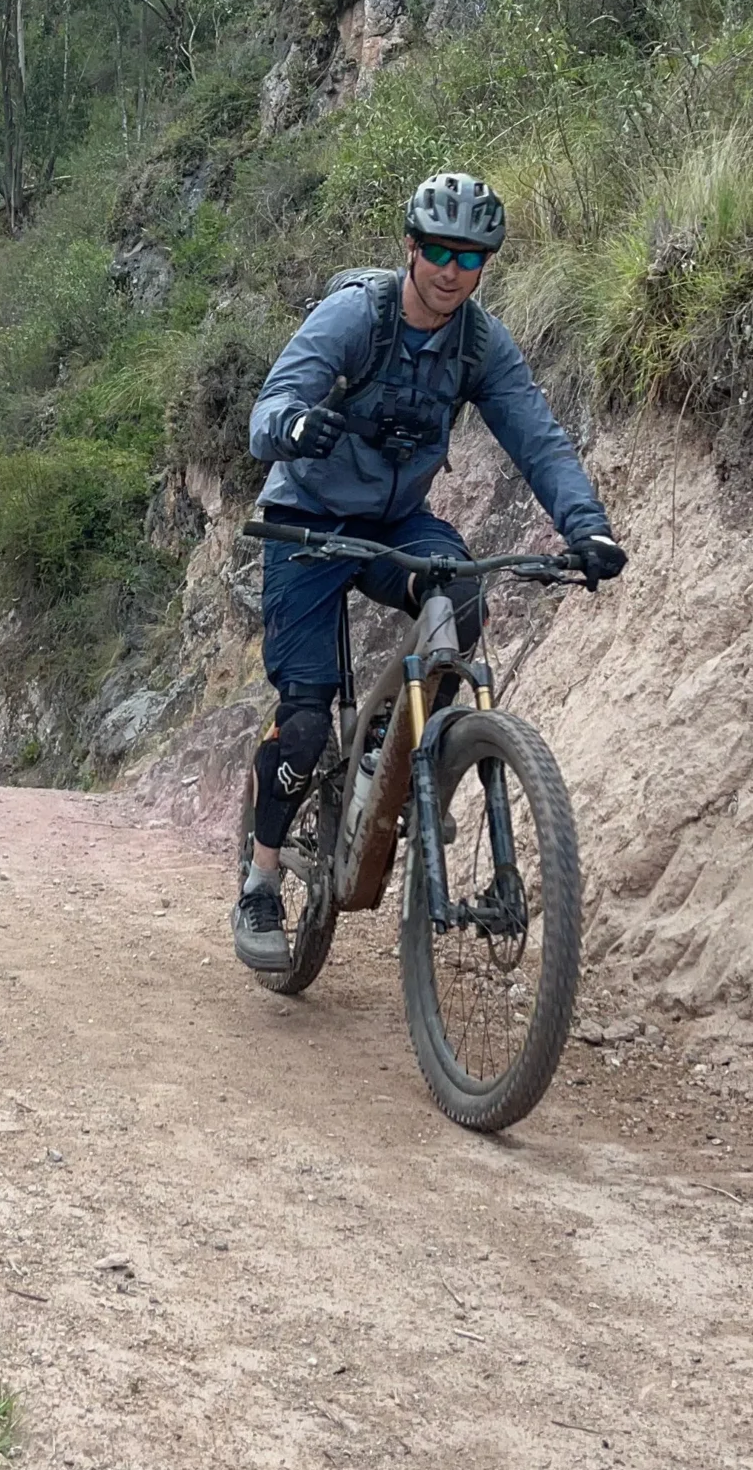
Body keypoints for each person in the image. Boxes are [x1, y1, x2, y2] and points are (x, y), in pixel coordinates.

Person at [235, 168, 627, 975]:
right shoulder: (357, 314)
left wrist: (585, 525)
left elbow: (537, 437)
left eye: (471, 256)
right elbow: (269, 409)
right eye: (440, 250)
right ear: (411, 247)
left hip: (392, 524)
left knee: (461, 586)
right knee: (305, 722)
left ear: (485, 264)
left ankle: (395, 743)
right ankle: (263, 879)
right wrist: (296, 426)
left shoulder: (480, 343)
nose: (453, 269)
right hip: (306, 520)